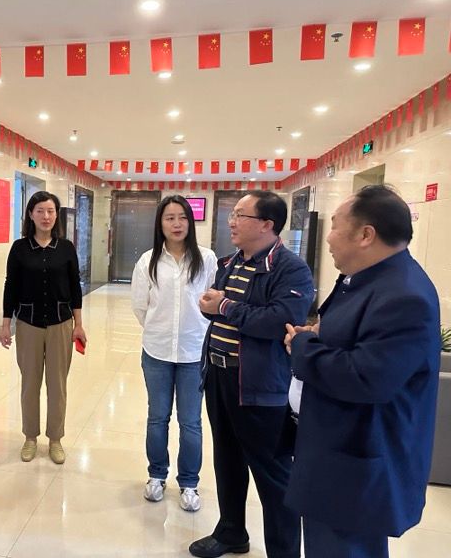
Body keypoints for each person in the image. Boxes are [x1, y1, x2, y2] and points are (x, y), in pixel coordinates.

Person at [284, 185, 440, 558]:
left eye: (337, 226)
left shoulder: (405, 296)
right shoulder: (367, 279)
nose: (329, 238)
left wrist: (303, 347)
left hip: (356, 465)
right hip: (332, 452)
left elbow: (366, 378)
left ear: (366, 234)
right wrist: (319, 335)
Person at [190, 191, 314, 558]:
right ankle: (231, 532)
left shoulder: (290, 268)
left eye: (240, 215)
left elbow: (280, 321)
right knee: (227, 458)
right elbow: (220, 311)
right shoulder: (231, 262)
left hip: (259, 385)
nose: (231, 221)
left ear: (266, 224)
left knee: (272, 473)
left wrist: (225, 306)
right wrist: (211, 307)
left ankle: (284, 551)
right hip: (219, 375)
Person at [131, 195, 217, 512]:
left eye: (182, 217)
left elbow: (212, 303)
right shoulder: (148, 261)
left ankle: (189, 482)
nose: (176, 223)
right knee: (158, 417)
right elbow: (140, 306)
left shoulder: (206, 259)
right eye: (169, 218)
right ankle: (156, 475)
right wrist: (162, 329)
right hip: (157, 351)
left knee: (191, 421)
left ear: (190, 222)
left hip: (194, 353)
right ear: (160, 223)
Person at [0, 191, 87, 465]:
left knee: (57, 385)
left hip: (61, 324)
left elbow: (75, 288)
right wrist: (6, 324)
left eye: (50, 211)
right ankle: (30, 437)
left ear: (56, 215)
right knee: (30, 384)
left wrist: (79, 324)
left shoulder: (66, 248)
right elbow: (10, 286)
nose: (46, 216)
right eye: (40, 211)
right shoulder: (20, 248)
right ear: (30, 214)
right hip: (29, 324)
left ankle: (56, 439)